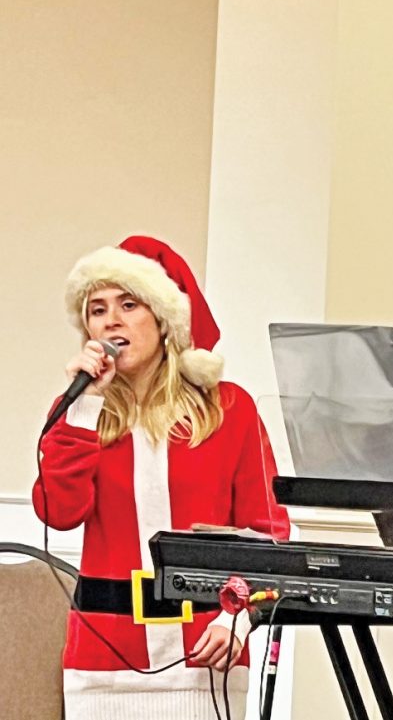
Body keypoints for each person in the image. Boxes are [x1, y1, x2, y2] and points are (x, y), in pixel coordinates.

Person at [32, 235, 290, 720]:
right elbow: (58, 513)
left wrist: (238, 617)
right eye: (97, 310)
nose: (111, 321)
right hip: (103, 664)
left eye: (129, 305)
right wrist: (84, 406)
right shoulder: (78, 413)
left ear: (164, 319)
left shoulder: (229, 410)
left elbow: (267, 532)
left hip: (205, 659)